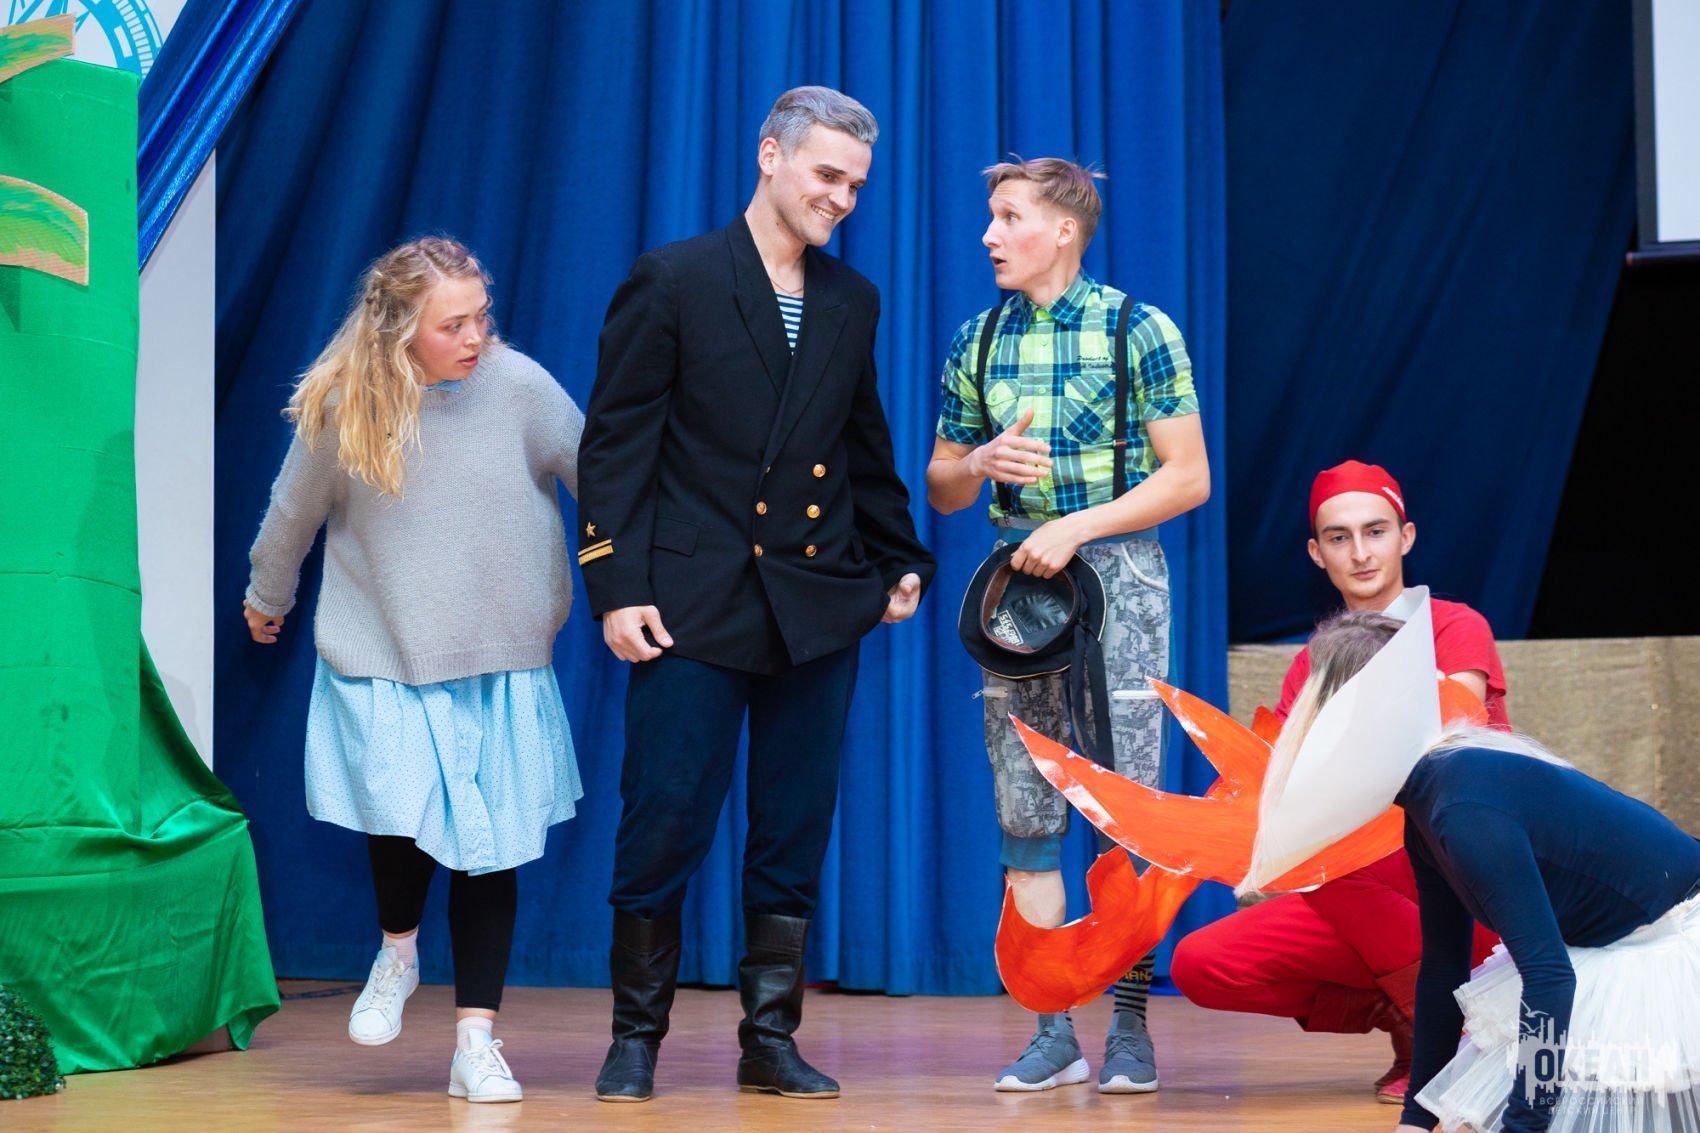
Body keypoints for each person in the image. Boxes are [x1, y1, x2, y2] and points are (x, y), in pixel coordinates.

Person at [577, 86, 935, 1104]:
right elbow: (615, 447)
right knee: (664, 820)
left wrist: (899, 560)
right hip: (690, 602)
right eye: (826, 174)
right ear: (769, 155)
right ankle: (633, 1040)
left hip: (816, 602)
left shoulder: (850, 298)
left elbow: (861, 449)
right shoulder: (674, 278)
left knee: (792, 828)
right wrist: (615, 584)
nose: (841, 198)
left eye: (855, 184)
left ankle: (769, 1041)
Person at [244, 237, 584, 1104]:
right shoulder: (348, 406)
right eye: (452, 324)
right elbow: (291, 513)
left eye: (481, 317)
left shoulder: (520, 388)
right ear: (399, 329)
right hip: (386, 656)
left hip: (499, 660)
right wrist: (266, 594)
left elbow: (606, 478)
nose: (475, 337)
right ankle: (398, 949)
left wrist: (644, 577)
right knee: (399, 823)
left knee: (491, 852)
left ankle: (476, 1042)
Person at [926, 158, 1210, 1094]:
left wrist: (1078, 526)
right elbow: (941, 484)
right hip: (1018, 585)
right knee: (1026, 807)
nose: (989, 235)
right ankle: (1054, 1029)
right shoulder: (977, 338)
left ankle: (1129, 1023)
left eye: (1008, 217)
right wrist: (978, 463)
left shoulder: (1138, 328)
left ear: (1063, 230)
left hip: (1118, 576)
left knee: (1128, 803)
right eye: (990, 217)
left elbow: (1188, 476)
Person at [1267, 611, 1700, 1133]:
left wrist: (1524, 1126)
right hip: (1615, 941)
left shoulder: (1461, 806)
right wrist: (1416, 1120)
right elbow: (1442, 970)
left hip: (1672, 946)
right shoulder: (1430, 801)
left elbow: (1549, 976)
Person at [1170, 460, 1506, 1104]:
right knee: (1203, 963)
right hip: (1358, 890)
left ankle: (1446, 1041)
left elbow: (1450, 733)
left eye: (1375, 531)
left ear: (1406, 537)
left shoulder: (1454, 626)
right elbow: (1282, 788)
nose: (1360, 552)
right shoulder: (1310, 664)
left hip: (1466, 883)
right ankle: (1413, 1015)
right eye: (1339, 537)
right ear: (1316, 553)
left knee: (1341, 858)